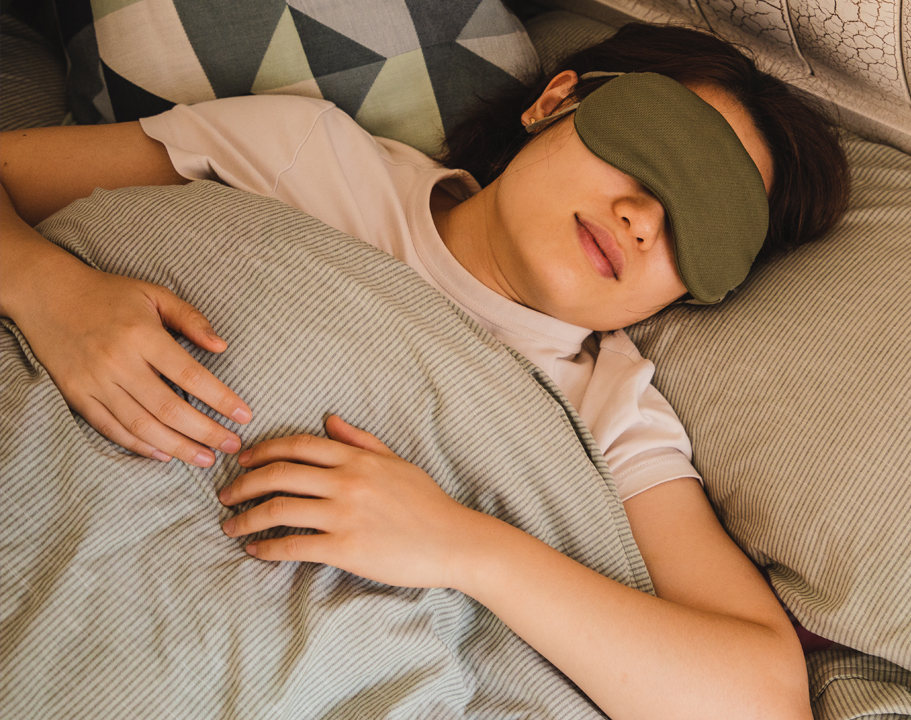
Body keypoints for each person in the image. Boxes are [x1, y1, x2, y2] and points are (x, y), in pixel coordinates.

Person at [0, 23, 847, 720]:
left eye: (699, 231)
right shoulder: (308, 156)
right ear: (557, 102)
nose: (639, 219)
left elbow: (760, 701)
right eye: (652, 151)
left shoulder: (611, 409)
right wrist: (48, 288)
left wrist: (461, 545)